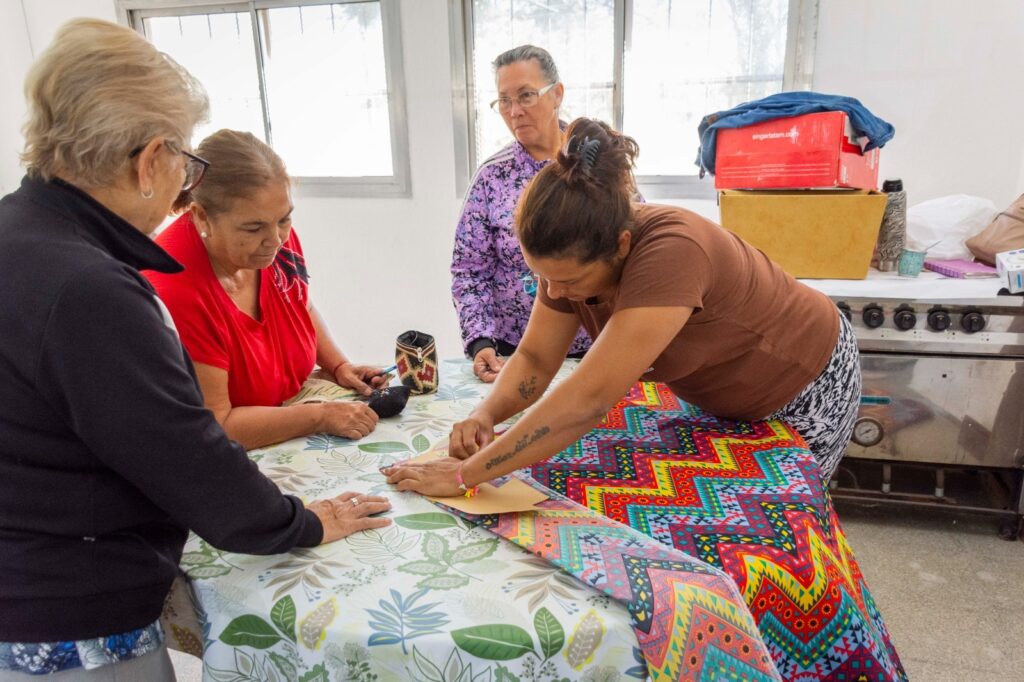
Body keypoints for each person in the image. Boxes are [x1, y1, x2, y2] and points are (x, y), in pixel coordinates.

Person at [0, 20, 389, 680]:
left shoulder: (21, 229)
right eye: (186, 160)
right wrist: (303, 523)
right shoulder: (90, 287)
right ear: (153, 161)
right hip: (71, 605)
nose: (186, 178)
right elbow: (188, 451)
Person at [385, 117, 860, 498]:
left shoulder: (673, 251)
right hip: (726, 393)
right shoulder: (568, 260)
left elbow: (588, 401)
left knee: (774, 526)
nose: (553, 290)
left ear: (621, 245)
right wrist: (485, 416)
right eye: (542, 276)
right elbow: (533, 359)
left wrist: (468, 474)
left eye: (567, 280)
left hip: (807, 381)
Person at [146, 130, 383, 450]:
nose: (277, 239)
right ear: (203, 217)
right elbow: (217, 425)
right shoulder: (175, 286)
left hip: (289, 416)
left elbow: (300, 304)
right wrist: (319, 416)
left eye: (284, 219)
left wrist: (338, 366)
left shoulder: (271, 241)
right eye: (254, 227)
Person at [451, 45, 591, 383]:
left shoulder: (597, 164)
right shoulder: (492, 177)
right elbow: (469, 270)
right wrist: (480, 341)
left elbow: (634, 251)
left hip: (593, 346)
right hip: (513, 352)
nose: (514, 111)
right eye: (504, 100)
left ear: (556, 94)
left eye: (526, 95)